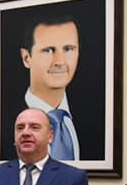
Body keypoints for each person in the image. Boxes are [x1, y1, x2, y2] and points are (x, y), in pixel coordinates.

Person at [20, 14, 81, 160]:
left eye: (68, 49)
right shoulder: (3, 123)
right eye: (48, 50)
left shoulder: (96, 117)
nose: (59, 61)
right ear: (26, 58)